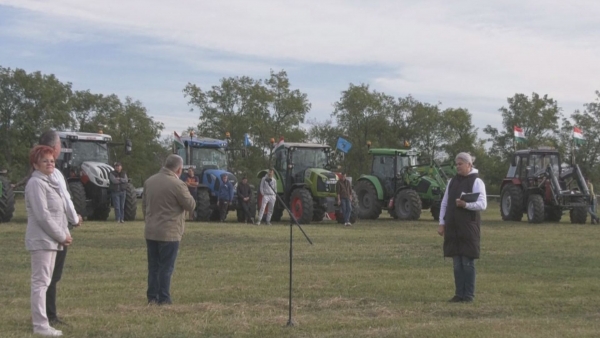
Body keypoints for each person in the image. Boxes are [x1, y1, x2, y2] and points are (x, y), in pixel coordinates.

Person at [25, 145, 73, 337]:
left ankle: (43, 321)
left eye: (52, 160)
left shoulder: (48, 182)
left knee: (45, 282)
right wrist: (61, 236)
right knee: (40, 283)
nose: (50, 163)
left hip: (51, 241)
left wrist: (65, 233)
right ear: (36, 164)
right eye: (45, 161)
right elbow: (43, 216)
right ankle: (40, 325)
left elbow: (58, 213)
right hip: (42, 241)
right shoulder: (36, 184)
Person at [143, 154, 196, 305]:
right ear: (179, 169)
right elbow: (190, 205)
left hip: (151, 230)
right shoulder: (177, 184)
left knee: (153, 266)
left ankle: (152, 297)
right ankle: (164, 298)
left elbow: (144, 206)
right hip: (169, 232)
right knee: (166, 267)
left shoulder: (149, 181)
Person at [437, 152, 487, 303]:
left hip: (468, 227)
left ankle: (469, 295)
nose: (457, 167)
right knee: (457, 263)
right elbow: (445, 203)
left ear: (469, 165)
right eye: (456, 164)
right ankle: (459, 294)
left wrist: (466, 204)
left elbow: (483, 204)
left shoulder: (477, 182)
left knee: (467, 262)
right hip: (453, 227)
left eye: (460, 164)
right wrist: (441, 223)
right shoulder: (452, 182)